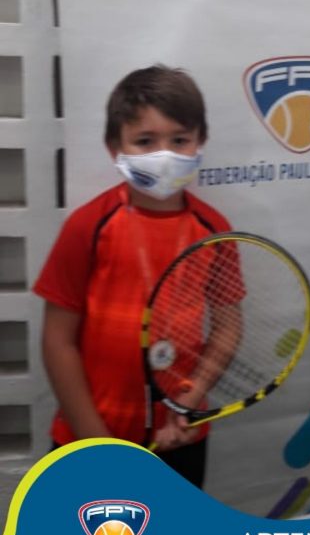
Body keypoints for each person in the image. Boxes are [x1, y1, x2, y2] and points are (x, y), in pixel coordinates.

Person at [33, 65, 239, 489]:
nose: (164, 154)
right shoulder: (88, 226)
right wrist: (96, 442)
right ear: (115, 148)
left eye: (179, 140)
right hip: (89, 439)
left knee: (173, 534)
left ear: (200, 141)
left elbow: (228, 327)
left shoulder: (215, 230)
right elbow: (57, 341)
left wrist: (191, 399)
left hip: (178, 438)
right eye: (145, 141)